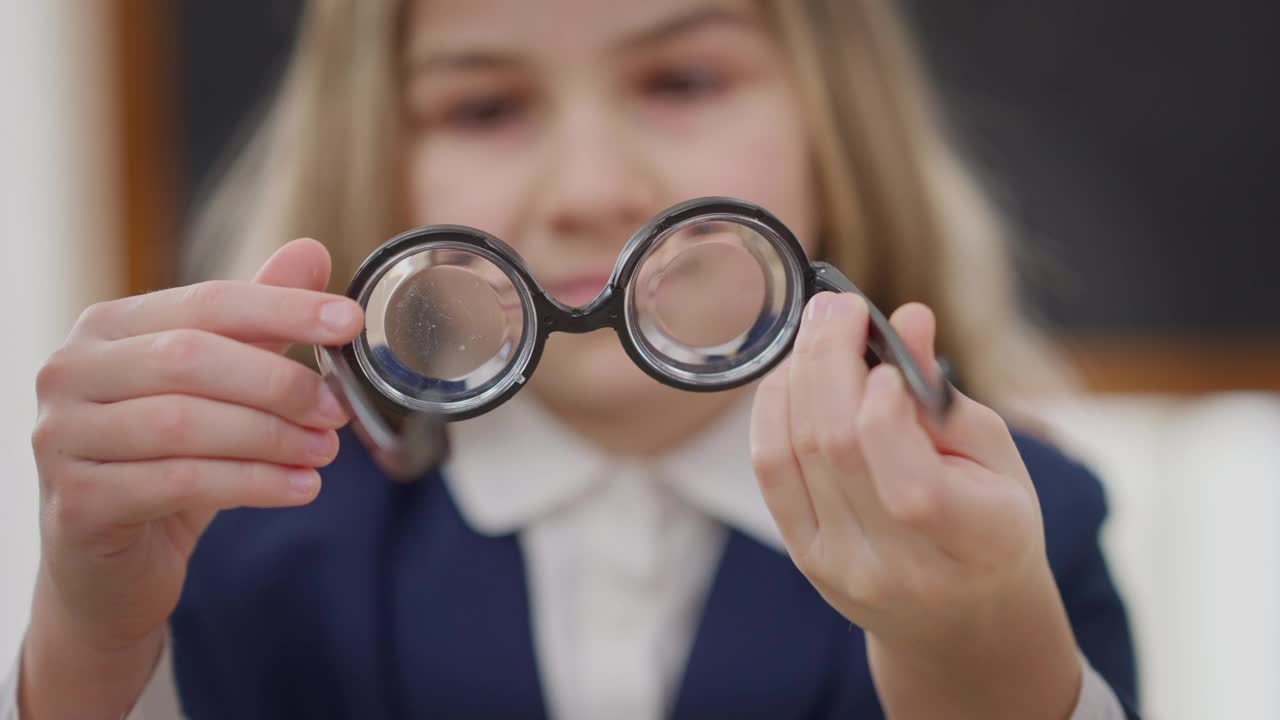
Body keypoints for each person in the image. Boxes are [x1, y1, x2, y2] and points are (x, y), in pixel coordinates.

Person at [5, 0, 1139, 717]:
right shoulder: (250, 544)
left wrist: (969, 648)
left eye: (680, 81)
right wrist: (89, 643)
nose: (592, 190)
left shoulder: (1017, 527)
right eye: (486, 105)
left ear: (837, 128)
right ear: (376, 160)